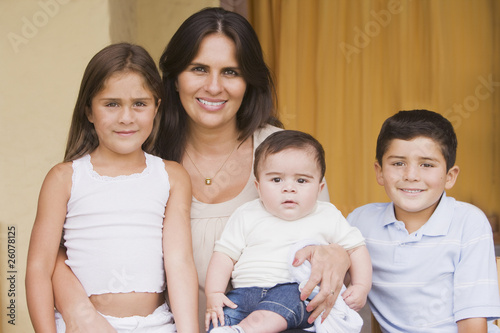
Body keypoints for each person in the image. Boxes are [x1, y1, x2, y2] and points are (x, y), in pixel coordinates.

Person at [51, 8, 351, 332]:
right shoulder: (143, 156)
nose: (213, 86)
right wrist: (78, 311)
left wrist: (339, 255)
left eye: (231, 72)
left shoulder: (285, 155)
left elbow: (328, 239)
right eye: (199, 69)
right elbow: (68, 248)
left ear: (249, 81)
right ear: (174, 78)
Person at [26, 43, 198, 332]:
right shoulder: (65, 178)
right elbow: (38, 269)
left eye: (140, 104)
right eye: (111, 104)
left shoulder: (172, 176)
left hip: (155, 324)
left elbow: (179, 264)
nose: (126, 117)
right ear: (89, 111)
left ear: (156, 107)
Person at [347, 109, 500, 332]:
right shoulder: (360, 222)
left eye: (427, 165)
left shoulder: (469, 223)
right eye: (398, 163)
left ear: (450, 176)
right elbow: (328, 284)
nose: (411, 175)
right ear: (379, 172)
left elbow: (472, 324)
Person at [204, 130, 371, 333]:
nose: (288, 188)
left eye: (301, 181)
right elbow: (224, 256)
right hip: (244, 292)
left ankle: (245, 329)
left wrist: (361, 286)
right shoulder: (246, 214)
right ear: (258, 186)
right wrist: (214, 293)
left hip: (294, 291)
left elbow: (356, 249)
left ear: (320, 188)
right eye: (276, 180)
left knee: (280, 308)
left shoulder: (328, 214)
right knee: (221, 316)